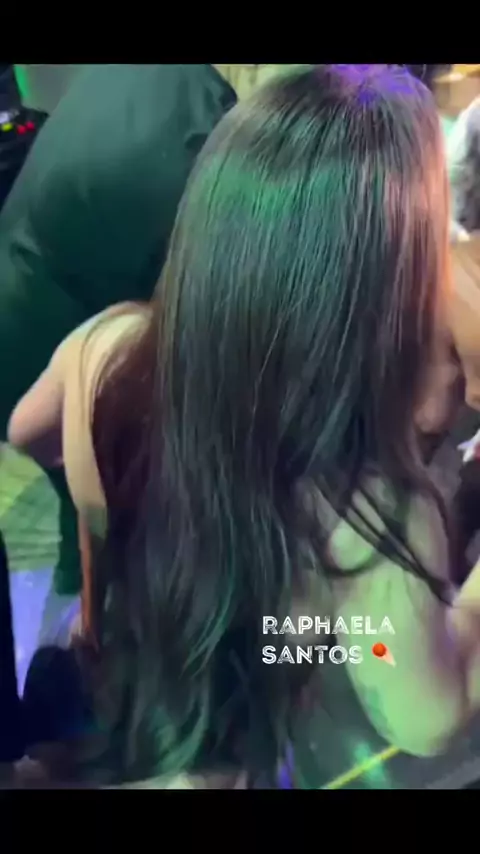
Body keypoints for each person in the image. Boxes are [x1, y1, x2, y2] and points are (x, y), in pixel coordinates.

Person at [9, 64, 480, 788]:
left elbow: (27, 432)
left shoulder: (106, 346)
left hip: (113, 674)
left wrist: (118, 503)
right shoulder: (370, 509)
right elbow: (426, 718)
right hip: (213, 760)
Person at [0, 64, 236, 593]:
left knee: (77, 473)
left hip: (22, 282)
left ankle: (83, 582)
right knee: (96, 479)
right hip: (44, 325)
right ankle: (92, 593)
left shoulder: (148, 75)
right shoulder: (188, 152)